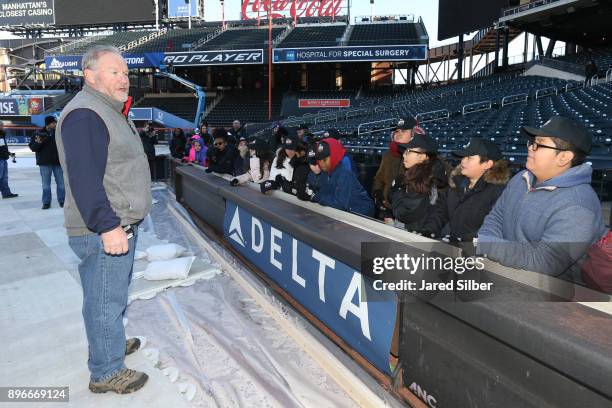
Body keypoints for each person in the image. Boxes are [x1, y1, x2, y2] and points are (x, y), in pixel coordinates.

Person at [55, 45, 150, 394]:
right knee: (104, 299)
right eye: (114, 72)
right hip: (106, 227)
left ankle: (108, 343)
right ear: (90, 76)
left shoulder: (107, 109)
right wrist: (108, 226)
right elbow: (84, 178)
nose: (124, 78)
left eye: (125, 72)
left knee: (113, 294)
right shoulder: (86, 114)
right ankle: (106, 370)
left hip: (118, 224)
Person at [477, 116, 607, 282]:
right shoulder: (521, 178)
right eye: (531, 143)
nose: (531, 148)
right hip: (506, 276)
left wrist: (487, 246)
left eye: (538, 144)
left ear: (564, 158)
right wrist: (487, 243)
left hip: (554, 298)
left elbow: (546, 261)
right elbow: (495, 218)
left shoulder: (578, 205)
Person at [422, 137, 510, 242]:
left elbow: (492, 228)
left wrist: (462, 241)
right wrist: (429, 230)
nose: (463, 161)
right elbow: (440, 212)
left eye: (469, 157)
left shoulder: (498, 193)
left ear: (487, 164)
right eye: (464, 157)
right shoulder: (456, 184)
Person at [388, 132, 448, 232]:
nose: (404, 155)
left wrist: (397, 191)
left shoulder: (423, 181)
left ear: (423, 156)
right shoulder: (417, 176)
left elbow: (405, 214)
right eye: (405, 151)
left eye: (409, 151)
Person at [301, 138, 374, 216]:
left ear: (334, 156)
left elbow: (340, 204)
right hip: (346, 212)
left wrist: (315, 196)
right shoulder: (325, 172)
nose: (321, 163)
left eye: (325, 159)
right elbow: (325, 195)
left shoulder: (344, 173)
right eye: (319, 159)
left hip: (362, 213)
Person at [372, 117, 417, 223]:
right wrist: (377, 193)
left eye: (404, 131)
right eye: (397, 131)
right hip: (386, 210)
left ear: (414, 134)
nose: (399, 133)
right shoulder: (388, 155)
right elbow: (379, 178)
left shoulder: (420, 156)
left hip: (407, 215)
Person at [29, 116, 65, 209]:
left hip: (57, 162)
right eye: (53, 123)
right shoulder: (38, 133)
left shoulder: (58, 133)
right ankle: (46, 202)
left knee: (61, 183)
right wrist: (39, 142)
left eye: (55, 122)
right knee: (46, 184)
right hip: (44, 163)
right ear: (48, 123)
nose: (55, 124)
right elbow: (33, 148)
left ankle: (62, 201)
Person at [0, 121, 18, 199]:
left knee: (4, 177)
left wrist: (9, 153)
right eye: (2, 126)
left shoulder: (2, 135)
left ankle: (6, 193)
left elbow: (2, 147)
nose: (3, 127)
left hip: (3, 159)